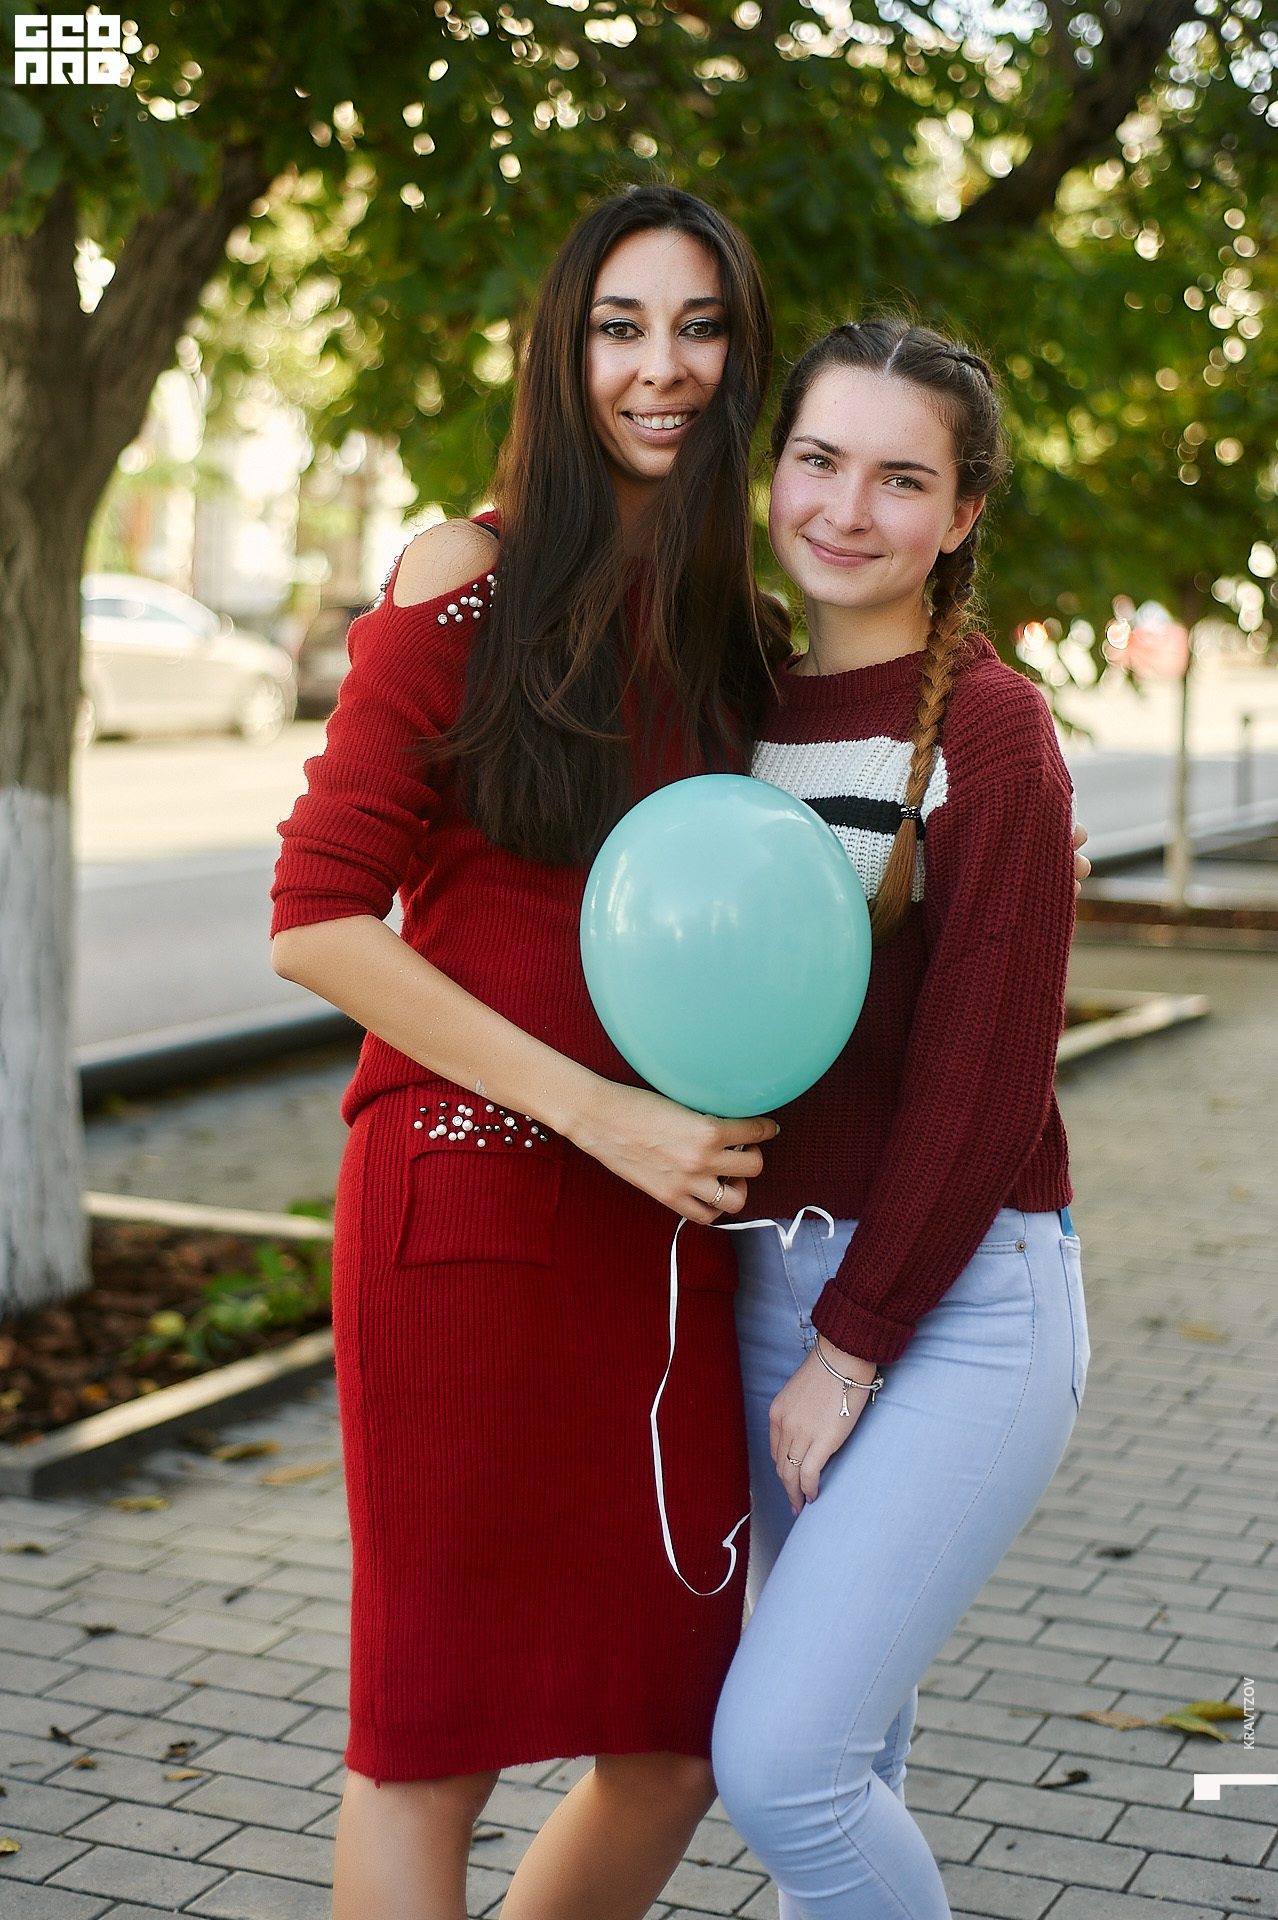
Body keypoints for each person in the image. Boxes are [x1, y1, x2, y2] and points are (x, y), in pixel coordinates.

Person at [268, 187, 787, 1920]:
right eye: (618, 327)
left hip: (662, 1243)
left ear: (742, 360)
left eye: (699, 328)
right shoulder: (467, 578)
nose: (660, 368)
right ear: (562, 355)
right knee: (433, 1748)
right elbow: (316, 918)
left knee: (677, 1741)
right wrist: (600, 1116)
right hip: (471, 1217)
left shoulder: (735, 635)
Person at [709, 318, 1090, 1919]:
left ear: (962, 513)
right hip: (755, 1284)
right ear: (771, 469)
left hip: (952, 1305)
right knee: (846, 1764)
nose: (846, 508)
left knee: (780, 1763)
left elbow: (984, 1087)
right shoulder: (728, 696)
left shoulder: (989, 733)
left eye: (900, 478)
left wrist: (851, 1346)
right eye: (817, 459)